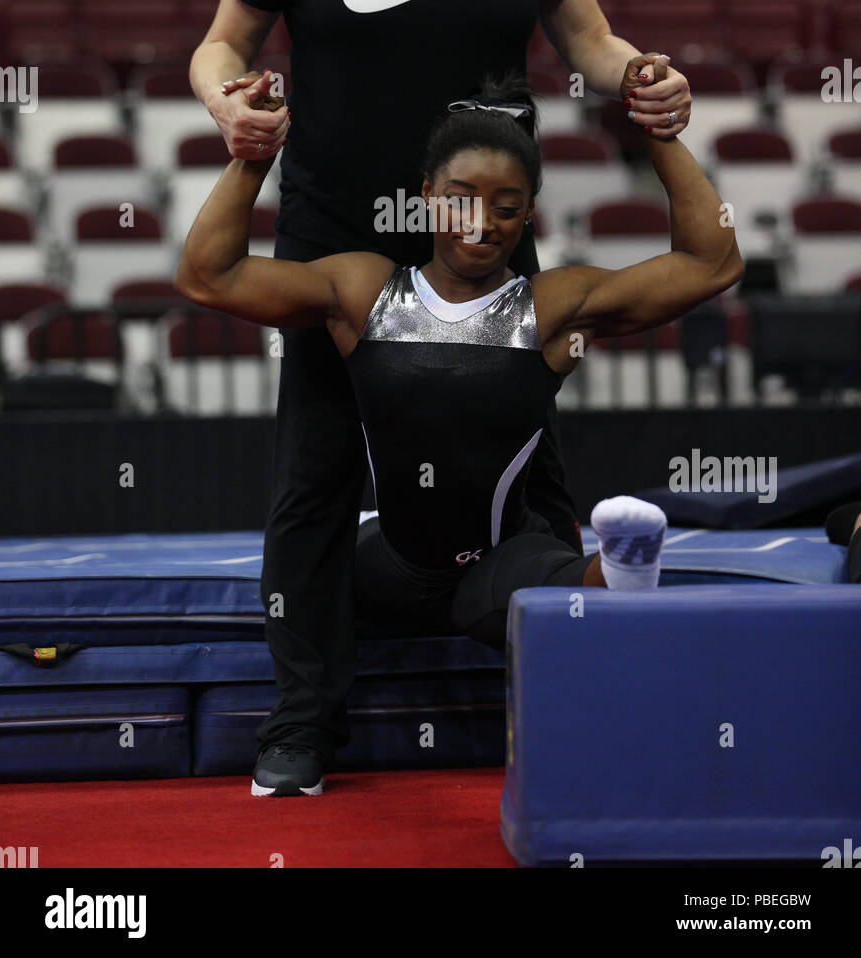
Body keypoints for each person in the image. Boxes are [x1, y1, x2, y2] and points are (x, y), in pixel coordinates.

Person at [187, 0, 693, 795]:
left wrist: (640, 77)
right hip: (336, 240)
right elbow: (218, 48)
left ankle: (575, 681)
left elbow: (589, 40)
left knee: (524, 477)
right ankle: (303, 721)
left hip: (478, 235)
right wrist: (229, 101)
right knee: (316, 473)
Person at [175, 69, 741, 796]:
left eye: (506, 207)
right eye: (461, 199)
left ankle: (621, 573)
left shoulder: (553, 305)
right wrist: (255, 156)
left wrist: (659, 136)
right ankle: (302, 733)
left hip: (498, 560)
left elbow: (712, 261)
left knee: (527, 584)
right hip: (394, 563)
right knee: (313, 566)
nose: (482, 221)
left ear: (528, 214)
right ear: (425, 198)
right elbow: (207, 276)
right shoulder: (365, 290)